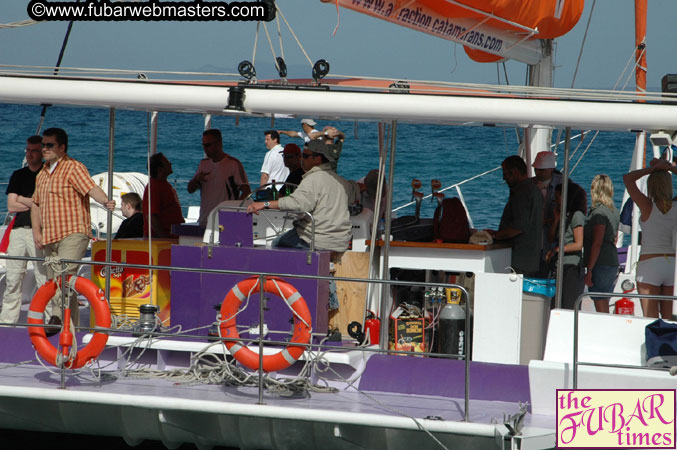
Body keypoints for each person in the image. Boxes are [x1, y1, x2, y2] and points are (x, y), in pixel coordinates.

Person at [246, 139, 360, 310]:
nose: (302, 160)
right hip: (339, 241)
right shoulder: (340, 181)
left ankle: (285, 297)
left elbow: (298, 204)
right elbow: (355, 192)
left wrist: (265, 204)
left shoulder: (313, 179)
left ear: (317, 160)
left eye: (305, 156)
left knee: (277, 244)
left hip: (317, 238)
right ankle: (321, 286)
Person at [31, 127, 115, 331]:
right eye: (43, 145)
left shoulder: (74, 167)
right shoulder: (42, 173)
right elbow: (36, 203)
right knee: (58, 283)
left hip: (73, 233)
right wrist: (37, 232)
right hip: (50, 236)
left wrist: (105, 201)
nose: (44, 149)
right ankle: (71, 330)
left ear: (62, 147)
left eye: (49, 145)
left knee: (63, 277)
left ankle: (57, 319)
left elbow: (90, 187)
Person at [0, 136, 48, 323]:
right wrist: (33, 203)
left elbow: (46, 206)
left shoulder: (47, 174)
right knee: (13, 277)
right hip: (19, 230)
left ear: (42, 152)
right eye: (27, 150)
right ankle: (8, 319)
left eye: (34, 150)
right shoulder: (18, 175)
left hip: (40, 231)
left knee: (43, 277)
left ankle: (45, 318)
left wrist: (22, 199)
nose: (29, 154)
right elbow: (11, 206)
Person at [623, 159, 677, 318]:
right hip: (673, 266)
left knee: (649, 319)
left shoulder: (647, 206)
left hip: (650, 265)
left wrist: (652, 169)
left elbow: (628, 178)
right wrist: (670, 168)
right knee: (671, 321)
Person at [486, 155, 543, 276]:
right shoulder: (534, 189)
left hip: (519, 260)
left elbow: (517, 228)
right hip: (530, 258)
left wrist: (495, 236)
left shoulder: (522, 192)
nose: (503, 178)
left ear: (515, 172)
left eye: (505, 174)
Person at [187, 129, 251, 226]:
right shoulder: (203, 164)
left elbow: (246, 191)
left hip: (225, 219)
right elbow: (190, 190)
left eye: (208, 145)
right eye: (203, 145)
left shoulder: (233, 164)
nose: (205, 148)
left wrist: (234, 210)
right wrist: (196, 180)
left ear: (219, 144)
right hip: (205, 219)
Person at [545, 183, 587, 309]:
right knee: (556, 303)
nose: (556, 201)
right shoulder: (564, 216)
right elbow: (551, 238)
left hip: (571, 266)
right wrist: (556, 219)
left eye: (558, 198)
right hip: (559, 265)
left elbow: (578, 244)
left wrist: (557, 250)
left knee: (569, 303)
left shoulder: (576, 216)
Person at [584, 174, 619, 313]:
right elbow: (615, 238)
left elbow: (597, 243)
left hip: (601, 262)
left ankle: (605, 332)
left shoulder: (598, 213)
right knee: (604, 300)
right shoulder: (614, 211)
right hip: (611, 261)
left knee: (599, 301)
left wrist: (590, 270)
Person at [530, 151, 562, 275]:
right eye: (536, 169)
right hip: (534, 242)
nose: (538, 173)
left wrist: (548, 221)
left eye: (541, 170)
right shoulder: (530, 185)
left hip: (553, 241)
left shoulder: (563, 184)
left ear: (551, 169)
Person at [143, 153, 184, 238]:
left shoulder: (162, 184)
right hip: (159, 239)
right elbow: (152, 217)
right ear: (160, 169)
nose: (170, 164)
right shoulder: (154, 187)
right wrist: (164, 237)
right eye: (167, 162)